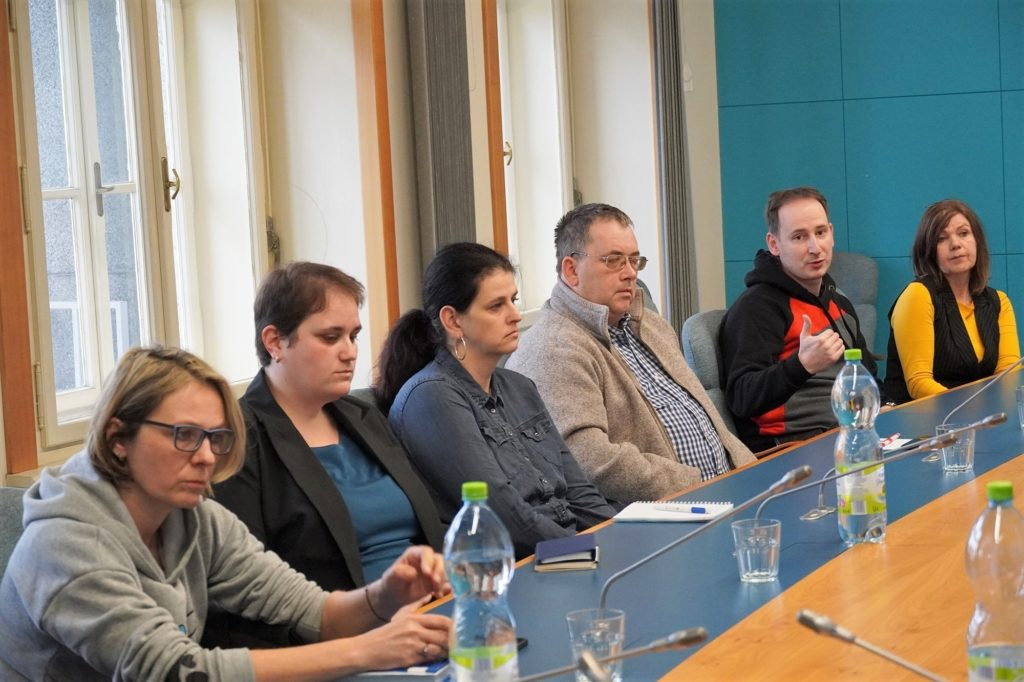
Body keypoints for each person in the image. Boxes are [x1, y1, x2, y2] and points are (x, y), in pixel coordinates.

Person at [0, 346, 450, 681]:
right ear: (119, 438)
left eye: (216, 438)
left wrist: (384, 596)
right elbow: (177, 672)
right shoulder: (65, 542)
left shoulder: (195, 517)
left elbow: (315, 612)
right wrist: (368, 651)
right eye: (184, 435)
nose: (206, 457)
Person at [208, 262, 445, 647]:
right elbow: (244, 593)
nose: (350, 353)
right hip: (343, 640)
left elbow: (429, 525)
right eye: (331, 337)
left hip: (432, 609)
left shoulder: (364, 417)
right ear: (274, 342)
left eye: (353, 336)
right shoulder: (238, 440)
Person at [375, 242, 615, 559]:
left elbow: (580, 493)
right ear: (453, 321)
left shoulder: (520, 387)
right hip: (510, 565)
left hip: (567, 552)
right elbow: (504, 515)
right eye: (496, 306)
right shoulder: (431, 397)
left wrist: (618, 537)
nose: (515, 316)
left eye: (513, 301)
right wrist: (590, 551)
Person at [506, 203, 754, 505]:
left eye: (634, 260)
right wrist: (697, 485)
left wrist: (750, 473)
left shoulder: (651, 325)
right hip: (670, 512)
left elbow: (708, 419)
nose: (630, 273)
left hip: (729, 491)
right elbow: (589, 459)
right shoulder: (553, 348)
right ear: (571, 270)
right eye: (614, 261)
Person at [720, 187, 876, 451]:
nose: (815, 248)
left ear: (832, 234)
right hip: (790, 446)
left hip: (850, 432)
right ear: (774, 244)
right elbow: (742, 397)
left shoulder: (839, 301)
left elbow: (867, 373)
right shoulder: (757, 307)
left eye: (820, 232)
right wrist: (802, 365)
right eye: (799, 237)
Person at [883, 199, 1020, 403]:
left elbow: (1009, 375)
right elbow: (919, 384)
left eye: (963, 233)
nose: (956, 244)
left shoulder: (998, 301)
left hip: (984, 415)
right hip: (922, 417)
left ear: (977, 241)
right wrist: (975, 409)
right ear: (929, 250)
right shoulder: (918, 295)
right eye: (942, 238)